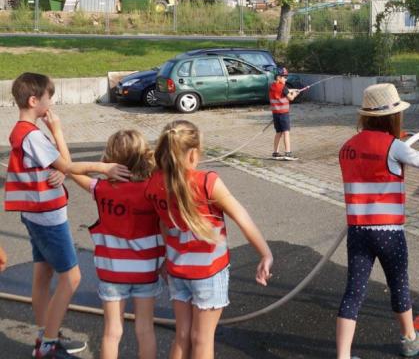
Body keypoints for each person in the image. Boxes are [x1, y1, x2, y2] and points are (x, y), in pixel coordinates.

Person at [336, 84, 419, 358]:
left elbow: (371, 158)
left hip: (358, 231)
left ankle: (343, 356)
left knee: (353, 292)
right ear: (393, 117)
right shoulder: (394, 147)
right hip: (388, 233)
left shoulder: (347, 147)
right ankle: (410, 339)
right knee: (398, 284)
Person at [4, 72, 130, 359]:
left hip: (33, 214)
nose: (51, 103)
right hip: (48, 216)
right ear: (34, 100)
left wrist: (61, 168)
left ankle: (46, 334)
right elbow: (68, 165)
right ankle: (48, 345)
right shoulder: (32, 135)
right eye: (49, 98)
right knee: (72, 278)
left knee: (43, 273)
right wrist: (104, 168)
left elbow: (59, 167)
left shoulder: (21, 131)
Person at [145, 120, 274, 359]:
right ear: (193, 154)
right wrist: (265, 254)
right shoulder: (207, 182)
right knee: (202, 339)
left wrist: (166, 258)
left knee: (182, 335)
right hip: (208, 272)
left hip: (177, 270)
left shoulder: (153, 183)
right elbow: (241, 217)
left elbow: (163, 224)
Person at [70, 130, 163, 359]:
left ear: (111, 158)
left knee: (112, 332)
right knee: (145, 329)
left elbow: (71, 169)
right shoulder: (152, 188)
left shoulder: (102, 189)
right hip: (146, 271)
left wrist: (102, 168)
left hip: (111, 272)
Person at [269, 67, 302, 161]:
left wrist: (293, 90)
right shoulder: (283, 87)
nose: (286, 79)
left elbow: (284, 91)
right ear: (278, 77)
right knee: (286, 132)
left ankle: (275, 153)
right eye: (284, 77)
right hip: (283, 114)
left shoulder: (272, 86)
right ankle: (288, 153)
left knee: (278, 133)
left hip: (275, 114)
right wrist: (295, 94)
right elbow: (290, 98)